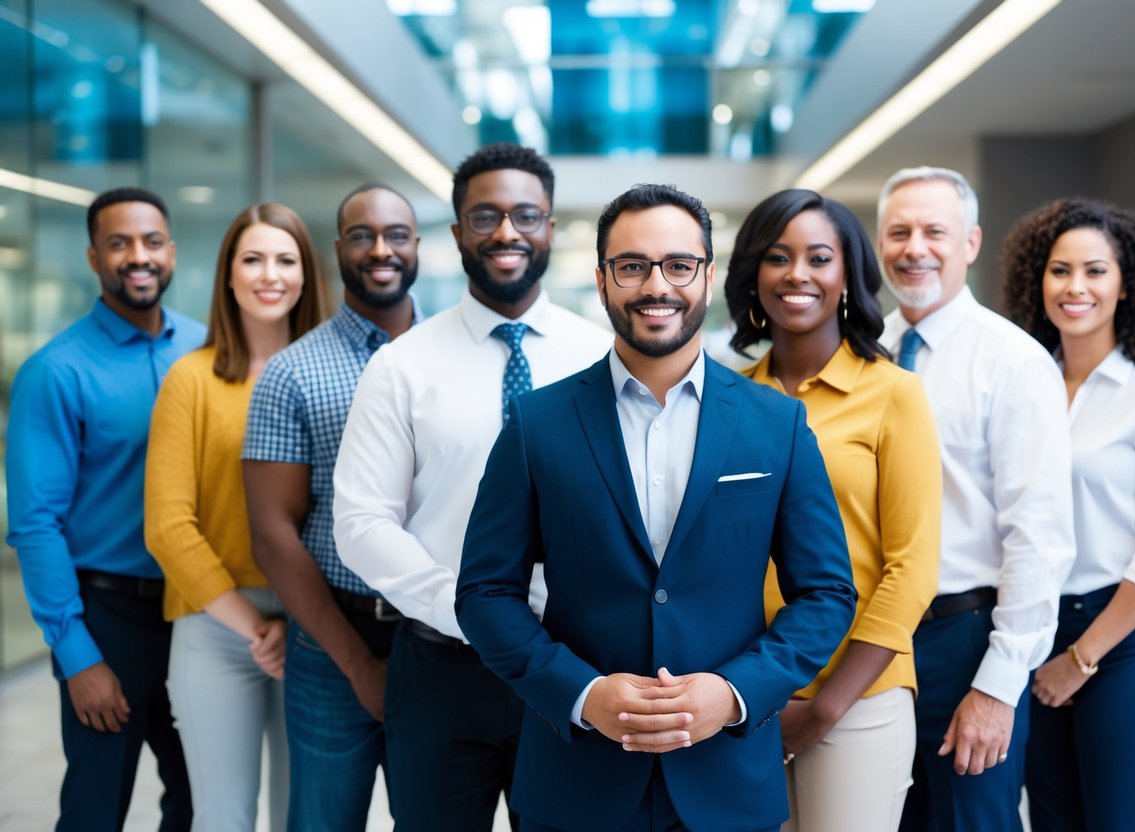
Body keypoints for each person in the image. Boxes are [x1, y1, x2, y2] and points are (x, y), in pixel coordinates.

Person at [455, 183, 858, 832]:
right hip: (576, 782)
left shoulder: (776, 424)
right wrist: (582, 694)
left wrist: (731, 694)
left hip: (725, 780)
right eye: (632, 266)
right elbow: (483, 592)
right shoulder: (537, 424)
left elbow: (825, 594)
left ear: (705, 276)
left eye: (677, 265)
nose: (655, 286)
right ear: (602, 279)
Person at [332, 143, 612, 830]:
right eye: (485, 216)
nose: (507, 232)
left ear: (549, 226)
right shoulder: (401, 366)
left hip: (573, 665)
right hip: (440, 665)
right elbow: (362, 523)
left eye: (526, 215)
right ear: (457, 232)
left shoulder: (604, 356)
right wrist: (476, 617)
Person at [723, 188, 941, 832]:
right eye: (776, 257)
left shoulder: (893, 395)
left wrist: (826, 707)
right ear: (752, 276)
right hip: (745, 697)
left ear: (847, 275)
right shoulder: (727, 400)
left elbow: (913, 567)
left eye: (819, 257)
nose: (797, 274)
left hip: (859, 699)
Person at [874, 167, 1076, 832]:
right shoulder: (860, 354)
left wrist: (996, 685)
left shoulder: (1012, 362)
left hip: (961, 638)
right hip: (866, 641)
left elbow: (1037, 536)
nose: (914, 247)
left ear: (969, 243)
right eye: (898, 231)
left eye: (935, 231)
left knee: (972, 822)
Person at [6, 187, 205, 831]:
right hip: (109, 618)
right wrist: (77, 655)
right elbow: (36, 525)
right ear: (95, 258)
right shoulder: (56, 371)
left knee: (203, 797)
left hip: (198, 615)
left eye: (151, 242)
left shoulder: (207, 353)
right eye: (119, 244)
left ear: (171, 252)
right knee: (97, 806)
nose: (138, 257)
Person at [1001, 197, 1135, 832]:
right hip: (1032, 629)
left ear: (1126, 283)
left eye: (1095, 270)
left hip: (1121, 638)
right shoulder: (1022, 385)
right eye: (1060, 271)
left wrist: (1081, 658)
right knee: (1054, 821)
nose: (1075, 287)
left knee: (1119, 821)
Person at [241, 184, 422, 831]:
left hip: (436, 640)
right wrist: (356, 662)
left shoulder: (459, 359)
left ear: (418, 246)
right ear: (339, 248)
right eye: (362, 235)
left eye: (396, 234)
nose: (381, 249)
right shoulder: (292, 372)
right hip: (329, 642)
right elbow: (273, 533)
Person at [144, 203, 327, 832]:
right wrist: (253, 625)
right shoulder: (189, 380)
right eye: (252, 259)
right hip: (217, 624)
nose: (268, 274)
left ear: (306, 275)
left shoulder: (331, 379)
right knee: (222, 818)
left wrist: (297, 620)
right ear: (227, 275)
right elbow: (168, 526)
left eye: (285, 259)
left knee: (300, 816)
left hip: (317, 622)